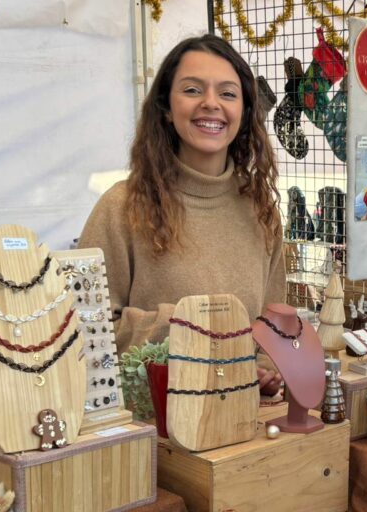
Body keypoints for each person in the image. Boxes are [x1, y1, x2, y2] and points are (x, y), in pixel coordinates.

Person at [79, 35, 284, 393]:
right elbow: (84, 330)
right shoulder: (122, 207)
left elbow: (274, 322)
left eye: (228, 93)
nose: (211, 104)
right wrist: (186, 328)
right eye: (192, 90)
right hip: (150, 432)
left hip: (238, 426)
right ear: (166, 109)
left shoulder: (260, 210)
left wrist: (264, 370)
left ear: (245, 112)